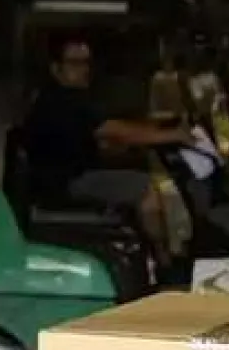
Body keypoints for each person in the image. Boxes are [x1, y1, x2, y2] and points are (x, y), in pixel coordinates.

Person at [24, 32, 193, 220]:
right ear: (56, 68)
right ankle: (162, 248)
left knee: (139, 171)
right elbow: (118, 131)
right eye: (75, 63)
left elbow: (98, 138)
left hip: (71, 176)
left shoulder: (64, 98)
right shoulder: (62, 101)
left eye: (87, 62)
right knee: (154, 188)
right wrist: (175, 135)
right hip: (67, 183)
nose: (84, 69)